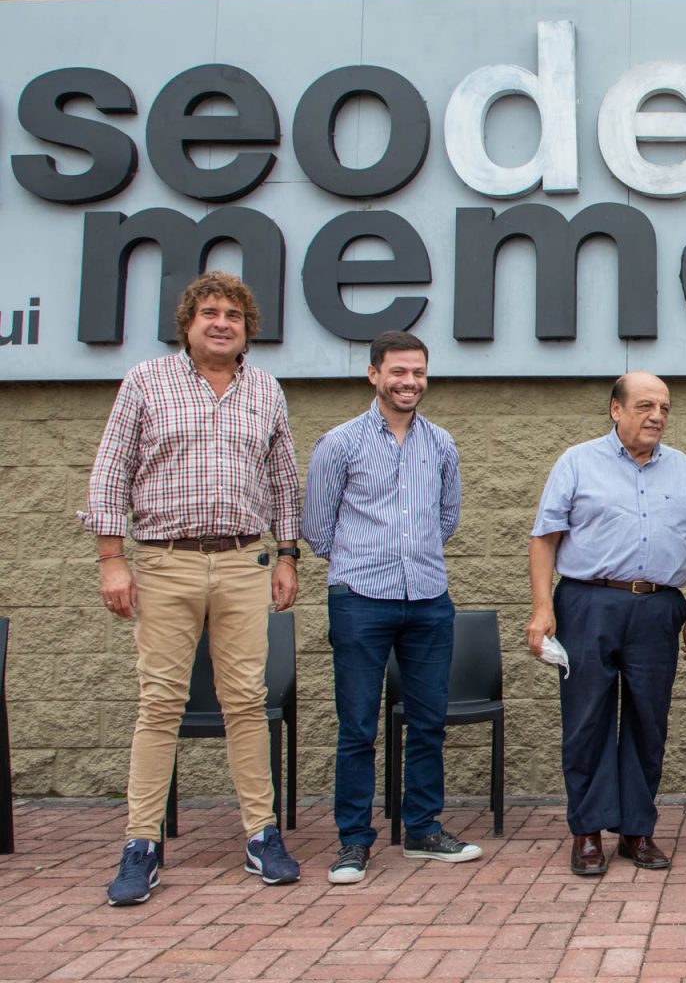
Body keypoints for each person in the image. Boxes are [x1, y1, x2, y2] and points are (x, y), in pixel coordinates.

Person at [83, 271, 302, 906]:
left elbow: (284, 481)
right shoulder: (146, 382)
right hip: (165, 563)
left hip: (242, 562)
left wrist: (288, 556)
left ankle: (261, 834)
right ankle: (141, 843)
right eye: (210, 313)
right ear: (187, 324)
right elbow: (110, 472)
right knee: (160, 704)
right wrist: (110, 559)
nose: (221, 323)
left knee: (246, 702)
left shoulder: (265, 390)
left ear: (247, 330)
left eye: (234, 315)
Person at [302, 331, 480, 886]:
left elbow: (447, 518)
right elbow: (317, 527)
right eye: (399, 371)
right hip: (359, 600)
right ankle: (354, 841)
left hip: (428, 598)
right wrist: (364, 560)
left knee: (428, 723)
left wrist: (411, 556)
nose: (410, 382)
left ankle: (422, 829)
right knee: (357, 727)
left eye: (418, 372)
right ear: (374, 374)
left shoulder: (441, 444)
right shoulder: (339, 444)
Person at [527, 373, 686, 876]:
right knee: (586, 719)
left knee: (648, 721)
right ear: (616, 410)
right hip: (587, 603)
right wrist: (542, 608)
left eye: (665, 408)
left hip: (658, 608)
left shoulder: (683, 470)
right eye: (645, 406)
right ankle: (588, 831)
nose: (657, 416)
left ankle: (637, 829)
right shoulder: (577, 462)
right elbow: (544, 538)